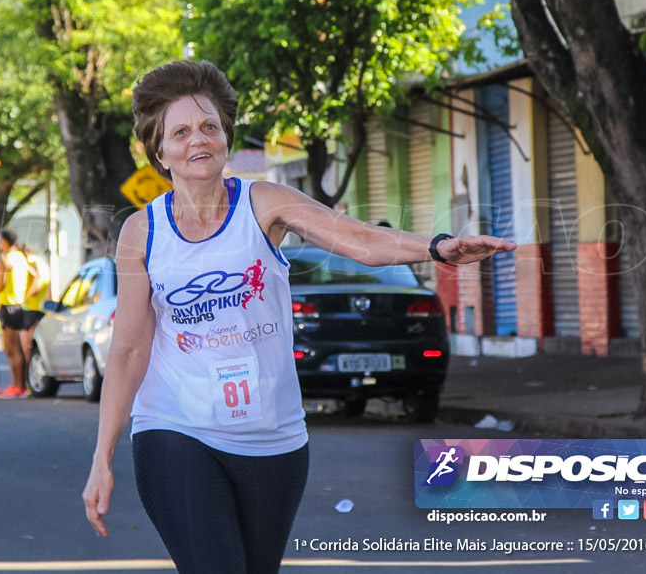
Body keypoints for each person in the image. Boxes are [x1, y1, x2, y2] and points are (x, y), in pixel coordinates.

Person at [80, 60, 517, 572]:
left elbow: (357, 238)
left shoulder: (264, 204)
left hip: (273, 437)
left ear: (226, 137)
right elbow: (129, 348)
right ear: (159, 151)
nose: (197, 140)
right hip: (175, 426)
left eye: (209, 127)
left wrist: (439, 248)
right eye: (180, 132)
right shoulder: (142, 231)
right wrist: (102, 457)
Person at [0, 228, 29, 399]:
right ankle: (19, 384)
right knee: (14, 348)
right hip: (18, 305)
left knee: (11, 348)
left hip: (9, 306)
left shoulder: (5, 260)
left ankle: (18, 385)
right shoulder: (21, 257)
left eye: (0, 240)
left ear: (5, 241)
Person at [19, 244, 50, 378]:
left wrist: (25, 296)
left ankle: (30, 379)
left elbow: (39, 281)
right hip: (37, 308)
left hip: (32, 309)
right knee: (30, 349)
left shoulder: (33, 262)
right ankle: (30, 379)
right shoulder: (40, 262)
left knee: (28, 349)